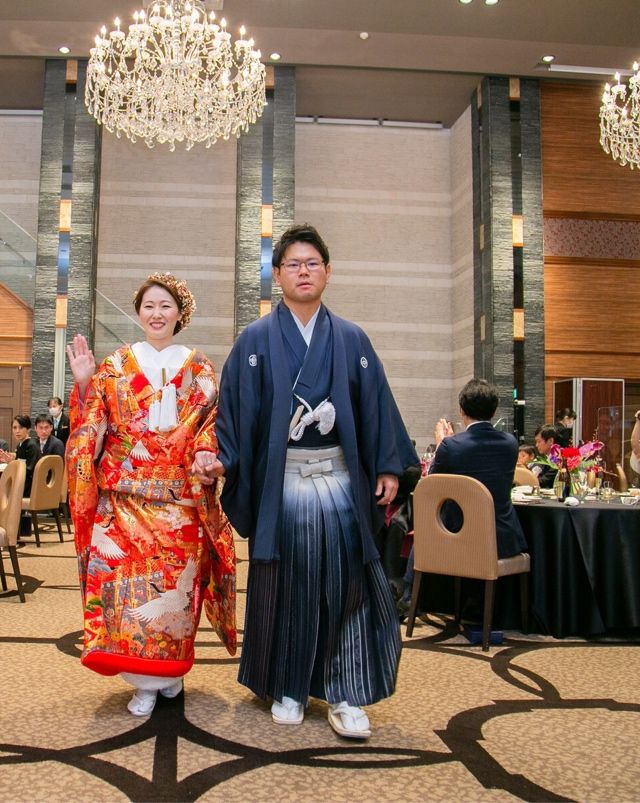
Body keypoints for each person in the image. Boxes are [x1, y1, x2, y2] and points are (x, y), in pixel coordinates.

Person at [203, 223, 415, 740]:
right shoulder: (254, 340)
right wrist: (223, 459)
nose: (303, 271)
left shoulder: (351, 339)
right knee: (287, 585)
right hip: (283, 484)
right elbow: (234, 414)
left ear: (328, 272)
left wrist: (388, 465)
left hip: (340, 479)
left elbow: (376, 406)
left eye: (312, 263)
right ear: (277, 275)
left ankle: (346, 691)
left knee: (347, 583)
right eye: (293, 264)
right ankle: (289, 685)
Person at [65, 272, 237, 717]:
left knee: (174, 598)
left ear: (180, 313)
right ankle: (142, 682)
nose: (156, 314)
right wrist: (84, 385)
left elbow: (211, 425)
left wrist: (206, 453)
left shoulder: (199, 367)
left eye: (165, 306)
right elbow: (91, 429)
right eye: (148, 306)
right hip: (122, 502)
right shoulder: (114, 365)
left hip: (179, 504)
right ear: (138, 313)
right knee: (125, 595)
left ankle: (169, 672)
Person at [430, 379, 526, 558]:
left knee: (420, 543)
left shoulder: (450, 446)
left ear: (461, 410)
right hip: (503, 540)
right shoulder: (510, 443)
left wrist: (441, 445)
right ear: (494, 411)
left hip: (458, 538)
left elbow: (433, 486)